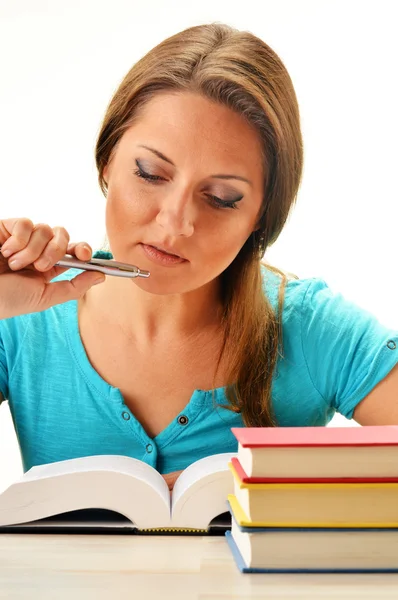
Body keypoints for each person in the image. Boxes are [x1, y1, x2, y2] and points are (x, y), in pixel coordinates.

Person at [0, 23, 397, 491]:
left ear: (261, 218)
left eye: (223, 198)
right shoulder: (24, 323)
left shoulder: (313, 329)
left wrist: (271, 488)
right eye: (149, 173)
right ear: (107, 159)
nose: (175, 223)